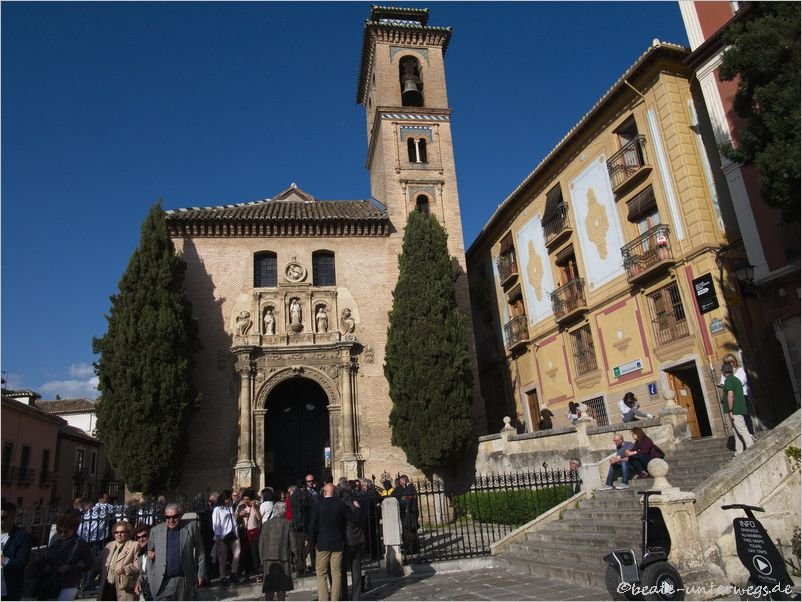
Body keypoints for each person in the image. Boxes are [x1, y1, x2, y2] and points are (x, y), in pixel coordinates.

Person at [146, 502, 206, 600]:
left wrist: (201, 574)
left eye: (174, 517)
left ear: (181, 515)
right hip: (162, 582)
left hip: (184, 580)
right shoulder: (155, 531)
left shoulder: (191, 527)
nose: (171, 520)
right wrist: (150, 579)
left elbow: (200, 552)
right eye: (168, 517)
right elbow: (149, 556)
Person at [310, 483, 347, 602]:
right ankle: (335, 599)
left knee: (321, 573)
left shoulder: (318, 504)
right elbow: (344, 523)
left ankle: (323, 599)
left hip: (323, 542)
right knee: (336, 573)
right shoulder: (340, 504)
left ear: (324, 492)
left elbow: (312, 526)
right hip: (337, 542)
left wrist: (313, 541)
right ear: (334, 492)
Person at [46, 511, 93, 601]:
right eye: (60, 531)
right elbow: (49, 557)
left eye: (66, 531)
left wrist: (70, 567)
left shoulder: (80, 543)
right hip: (54, 580)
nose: (63, 534)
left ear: (73, 529)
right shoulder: (55, 540)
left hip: (70, 582)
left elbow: (89, 563)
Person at [258, 501, 294, 601]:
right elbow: (293, 543)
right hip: (283, 558)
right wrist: (297, 557)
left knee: (269, 586)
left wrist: (261, 559)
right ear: (283, 511)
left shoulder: (266, 524)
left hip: (268, 558)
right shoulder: (288, 523)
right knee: (282, 586)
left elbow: (261, 543)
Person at [94, 521, 139, 601]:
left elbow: (138, 565)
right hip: (107, 585)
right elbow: (97, 562)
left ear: (128, 533)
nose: (119, 534)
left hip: (124, 586)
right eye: (116, 532)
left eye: (122, 532)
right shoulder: (109, 545)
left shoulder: (134, 545)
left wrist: (125, 569)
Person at [721, 362, 754, 456]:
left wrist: (730, 410)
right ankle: (739, 451)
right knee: (736, 431)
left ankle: (752, 448)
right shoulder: (736, 379)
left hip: (735, 409)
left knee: (742, 429)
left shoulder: (728, 381)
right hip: (740, 407)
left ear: (723, 372)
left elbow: (730, 395)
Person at [1, 502, 32, 601]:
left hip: (8, 590)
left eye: (2, 518)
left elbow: (22, 562)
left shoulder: (22, 536)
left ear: (12, 517)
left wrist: (4, 560)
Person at [290, 475, 317, 575]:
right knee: (309, 543)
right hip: (303, 523)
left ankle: (300, 567)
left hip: (298, 524)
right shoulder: (303, 494)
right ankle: (303, 563)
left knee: (300, 545)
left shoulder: (294, 495)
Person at [211, 491, 240, 585]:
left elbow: (233, 520)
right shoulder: (217, 509)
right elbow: (216, 523)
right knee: (222, 557)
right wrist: (217, 535)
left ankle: (233, 573)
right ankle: (222, 576)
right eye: (227, 499)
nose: (229, 501)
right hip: (223, 534)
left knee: (237, 552)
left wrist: (236, 532)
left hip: (232, 532)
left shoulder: (230, 507)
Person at [394, 475, 419, 555]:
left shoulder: (410, 488)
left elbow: (407, 500)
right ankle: (413, 548)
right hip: (409, 511)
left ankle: (412, 549)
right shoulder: (408, 488)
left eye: (401, 482)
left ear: (404, 480)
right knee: (410, 530)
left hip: (410, 512)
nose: (400, 483)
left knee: (410, 531)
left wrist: (402, 503)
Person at [133, 524, 152, 602]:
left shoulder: (156, 551)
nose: (141, 539)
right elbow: (142, 573)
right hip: (146, 591)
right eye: (138, 537)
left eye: (144, 536)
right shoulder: (140, 554)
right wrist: (138, 582)